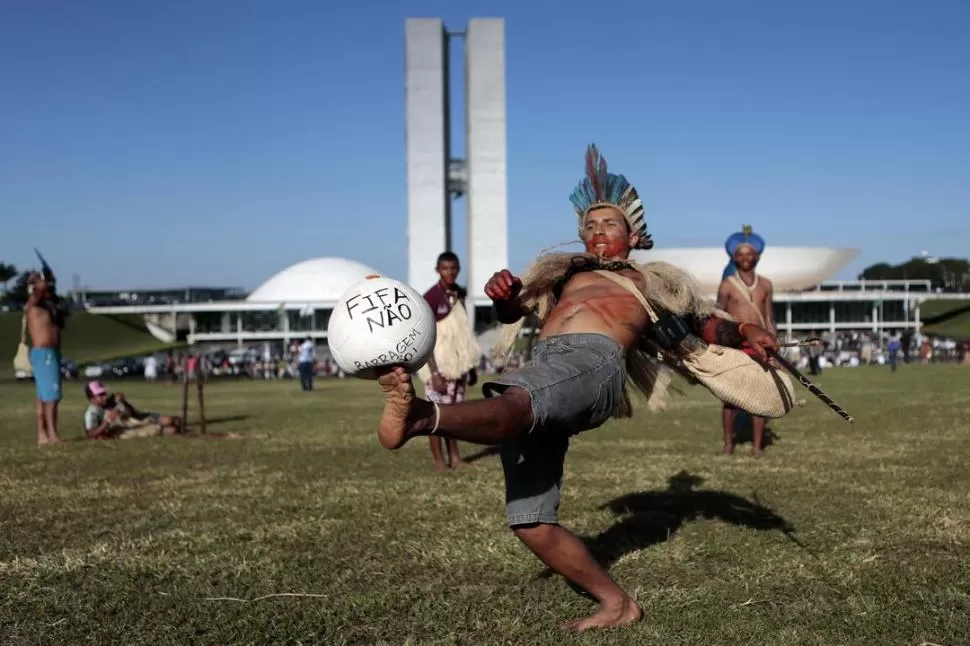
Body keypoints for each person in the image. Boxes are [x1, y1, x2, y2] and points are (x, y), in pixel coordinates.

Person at [373, 145, 790, 632]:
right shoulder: (565, 274)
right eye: (590, 226)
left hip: (594, 363)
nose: (597, 232)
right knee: (531, 522)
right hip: (547, 367)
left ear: (633, 235)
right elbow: (513, 313)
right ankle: (617, 604)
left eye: (609, 224)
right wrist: (505, 297)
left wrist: (746, 333)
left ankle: (420, 417)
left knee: (514, 401)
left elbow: (703, 325)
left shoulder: (650, 281)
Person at [417, 251, 481, 471]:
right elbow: (426, 338)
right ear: (438, 270)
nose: (450, 272)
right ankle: (438, 460)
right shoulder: (431, 298)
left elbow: (463, 334)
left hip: (458, 367)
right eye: (445, 268)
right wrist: (434, 373)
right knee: (436, 416)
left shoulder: (460, 294)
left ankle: (455, 457)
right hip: (438, 368)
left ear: (458, 269)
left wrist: (469, 367)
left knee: (454, 417)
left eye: (453, 268)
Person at [716, 225, 775, 456]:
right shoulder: (727, 284)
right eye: (740, 254)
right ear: (733, 257)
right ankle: (728, 444)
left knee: (758, 396)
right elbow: (718, 315)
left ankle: (757, 446)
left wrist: (774, 343)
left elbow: (770, 317)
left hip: (760, 344)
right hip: (734, 343)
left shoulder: (766, 284)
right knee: (730, 398)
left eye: (749, 254)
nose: (745, 258)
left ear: (757, 256)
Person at [25, 263, 68, 446]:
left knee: (43, 397)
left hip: (48, 354)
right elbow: (35, 296)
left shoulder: (50, 307)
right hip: (45, 354)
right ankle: (52, 435)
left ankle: (42, 435)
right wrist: (39, 283)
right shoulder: (34, 304)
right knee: (51, 397)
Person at [83, 380, 182, 439]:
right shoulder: (91, 413)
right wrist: (107, 421)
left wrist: (124, 402)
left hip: (133, 420)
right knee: (171, 430)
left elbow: (132, 413)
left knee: (171, 420)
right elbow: (91, 433)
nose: (104, 396)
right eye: (100, 395)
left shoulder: (112, 400)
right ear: (91, 399)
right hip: (123, 430)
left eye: (104, 393)